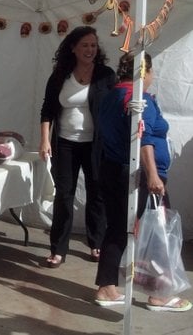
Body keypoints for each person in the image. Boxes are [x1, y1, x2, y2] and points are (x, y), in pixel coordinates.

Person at [94, 52, 191, 312]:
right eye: (151, 70)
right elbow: (143, 138)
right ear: (143, 71)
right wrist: (153, 176)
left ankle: (106, 286)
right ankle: (159, 293)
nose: (153, 76)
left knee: (116, 228)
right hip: (138, 175)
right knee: (160, 234)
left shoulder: (111, 95)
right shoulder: (138, 99)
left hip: (114, 168)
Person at [38, 26, 116, 268]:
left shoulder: (105, 74)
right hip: (65, 144)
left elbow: (115, 107)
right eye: (85, 45)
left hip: (96, 145)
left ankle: (96, 244)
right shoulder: (60, 75)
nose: (90, 50)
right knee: (63, 196)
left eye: (93, 45)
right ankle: (58, 249)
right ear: (73, 47)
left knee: (97, 195)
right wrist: (44, 140)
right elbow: (47, 109)